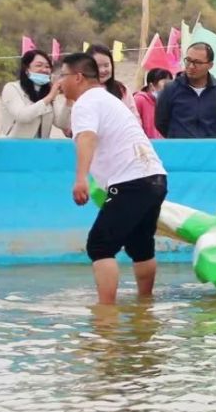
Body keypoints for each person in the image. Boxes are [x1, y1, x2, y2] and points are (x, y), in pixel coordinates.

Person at [61, 53, 168, 306]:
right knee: (140, 245)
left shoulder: (86, 102)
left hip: (131, 181)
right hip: (155, 178)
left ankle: (106, 313)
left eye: (61, 76)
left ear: (77, 77)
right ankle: (145, 306)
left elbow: (87, 137)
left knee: (99, 246)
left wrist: (81, 179)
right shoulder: (108, 99)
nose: (59, 83)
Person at [155, 43, 216, 139]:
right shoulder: (170, 89)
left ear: (210, 65)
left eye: (198, 62)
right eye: (188, 61)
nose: (191, 66)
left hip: (209, 149)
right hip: (180, 149)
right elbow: (160, 122)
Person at [0, 49, 71, 138]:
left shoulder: (48, 92)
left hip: (39, 148)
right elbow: (22, 116)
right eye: (39, 65)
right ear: (26, 69)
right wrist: (49, 97)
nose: (44, 70)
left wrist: (69, 99)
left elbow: (61, 123)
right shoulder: (12, 88)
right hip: (13, 147)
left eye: (47, 66)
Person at [86, 44, 139, 118]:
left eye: (106, 65)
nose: (102, 70)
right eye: (97, 66)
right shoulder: (80, 91)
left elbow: (134, 118)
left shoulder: (122, 89)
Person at [133, 68, 172, 140]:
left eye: (170, 84)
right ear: (151, 86)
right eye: (165, 84)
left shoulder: (167, 102)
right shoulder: (139, 99)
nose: (169, 87)